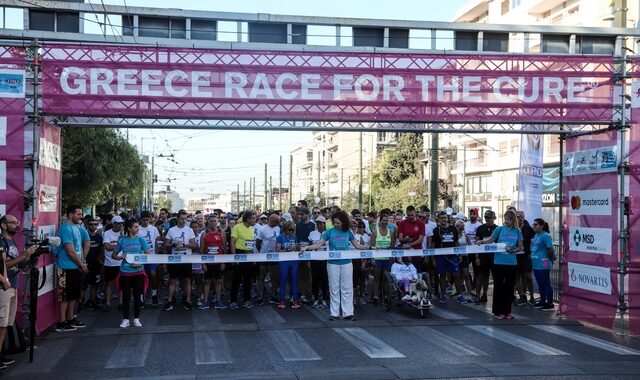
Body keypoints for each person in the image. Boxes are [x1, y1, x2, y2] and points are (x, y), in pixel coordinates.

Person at [301, 211, 370, 321]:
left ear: (343, 222)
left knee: (347, 288)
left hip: (346, 263)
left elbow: (357, 245)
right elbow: (319, 244)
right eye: (334, 223)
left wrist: (370, 248)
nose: (335, 225)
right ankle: (334, 313)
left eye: (338, 223)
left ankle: (348, 313)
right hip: (332, 264)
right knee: (334, 288)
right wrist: (307, 248)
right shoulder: (329, 232)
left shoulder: (348, 232)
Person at [0, 215, 37, 366]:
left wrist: (25, 263)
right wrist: (24, 256)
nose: (17, 225)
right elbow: (4, 266)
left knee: (6, 323)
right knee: (1, 322)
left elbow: (14, 264)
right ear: (3, 225)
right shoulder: (1, 241)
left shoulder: (11, 241)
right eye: (13, 223)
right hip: (3, 287)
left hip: (13, 285)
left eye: (17, 222)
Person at [477, 210, 523, 319]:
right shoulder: (499, 229)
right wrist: (481, 242)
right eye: (505, 219)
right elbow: (489, 240)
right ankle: (499, 311)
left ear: (513, 220)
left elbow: (520, 246)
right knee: (499, 287)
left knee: (509, 287)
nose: (506, 221)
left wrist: (512, 250)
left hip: (511, 263)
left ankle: (508, 311)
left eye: (509, 219)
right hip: (499, 262)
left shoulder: (517, 231)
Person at [55, 205, 88, 331]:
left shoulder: (76, 227)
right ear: (70, 214)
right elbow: (70, 251)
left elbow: (80, 247)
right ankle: (61, 322)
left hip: (75, 267)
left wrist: (81, 263)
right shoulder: (65, 229)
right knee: (64, 296)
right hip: (65, 267)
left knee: (73, 295)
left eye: (81, 214)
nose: (81, 216)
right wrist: (81, 264)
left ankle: (70, 318)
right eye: (78, 214)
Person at [113, 218, 149, 328]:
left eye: (138, 226)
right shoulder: (122, 240)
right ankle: (125, 319)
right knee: (126, 297)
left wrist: (139, 263)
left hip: (138, 272)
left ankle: (137, 319)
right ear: (129, 228)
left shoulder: (141, 240)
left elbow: (148, 255)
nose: (138, 228)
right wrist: (120, 257)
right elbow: (113, 254)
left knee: (137, 296)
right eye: (135, 227)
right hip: (125, 273)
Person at [164, 210, 197, 311]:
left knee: (187, 280)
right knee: (172, 280)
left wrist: (184, 245)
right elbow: (166, 245)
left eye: (185, 219)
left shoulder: (189, 230)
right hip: (175, 259)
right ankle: (169, 301)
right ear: (177, 219)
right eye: (182, 219)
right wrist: (174, 244)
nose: (183, 221)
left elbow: (194, 245)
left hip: (186, 259)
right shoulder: (171, 230)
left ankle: (187, 301)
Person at [431, 212, 465, 304]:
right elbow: (432, 246)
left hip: (452, 256)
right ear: (438, 219)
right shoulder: (435, 230)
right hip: (440, 256)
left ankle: (460, 295)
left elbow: (456, 242)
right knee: (442, 275)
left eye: (445, 218)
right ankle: (443, 295)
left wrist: (460, 254)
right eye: (441, 218)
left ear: (448, 218)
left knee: (457, 274)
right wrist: (433, 259)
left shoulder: (453, 228)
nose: (443, 219)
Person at [230, 211, 257, 309]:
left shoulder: (252, 228)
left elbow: (252, 243)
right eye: (253, 218)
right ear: (248, 219)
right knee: (236, 279)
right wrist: (234, 257)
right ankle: (233, 300)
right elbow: (232, 242)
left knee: (248, 279)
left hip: (249, 254)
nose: (255, 220)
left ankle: (247, 299)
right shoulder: (237, 227)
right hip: (239, 253)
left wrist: (253, 257)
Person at [200, 215, 228, 309]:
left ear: (217, 222)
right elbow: (201, 250)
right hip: (208, 262)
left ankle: (218, 301)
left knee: (218, 281)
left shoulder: (222, 232)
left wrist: (223, 262)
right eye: (211, 221)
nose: (214, 223)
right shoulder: (204, 233)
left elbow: (224, 248)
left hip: (219, 261)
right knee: (207, 282)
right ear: (208, 222)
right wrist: (203, 264)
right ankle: (205, 301)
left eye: (215, 221)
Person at [530, 218, 556, 311]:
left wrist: (552, 258)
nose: (534, 226)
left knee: (546, 283)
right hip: (536, 264)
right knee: (540, 284)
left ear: (542, 226)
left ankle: (549, 303)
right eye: (533, 224)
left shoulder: (546, 236)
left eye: (536, 224)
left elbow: (550, 249)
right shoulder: (536, 235)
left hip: (543, 264)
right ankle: (542, 301)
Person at [370, 213, 396, 305]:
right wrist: (372, 259)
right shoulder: (375, 232)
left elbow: (392, 246)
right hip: (377, 258)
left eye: (386, 221)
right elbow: (372, 246)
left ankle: (385, 295)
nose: (385, 222)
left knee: (385, 278)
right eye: (383, 220)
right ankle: (376, 296)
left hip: (387, 259)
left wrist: (391, 258)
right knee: (377, 278)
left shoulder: (391, 233)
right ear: (380, 221)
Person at [257, 214, 281, 304]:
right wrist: (262, 252)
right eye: (277, 221)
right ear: (271, 220)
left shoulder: (278, 228)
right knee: (262, 276)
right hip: (264, 256)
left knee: (274, 276)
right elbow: (258, 243)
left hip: (274, 256)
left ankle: (274, 295)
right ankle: (260, 296)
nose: (278, 223)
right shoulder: (262, 229)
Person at [276, 221, 301, 309]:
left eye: (292, 230)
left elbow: (297, 249)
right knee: (283, 281)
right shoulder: (280, 237)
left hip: (293, 261)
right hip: (284, 261)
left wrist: (298, 247)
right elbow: (277, 250)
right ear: (285, 229)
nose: (291, 232)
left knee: (294, 282)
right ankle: (282, 301)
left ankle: (295, 301)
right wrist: (287, 250)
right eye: (289, 230)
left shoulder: (294, 237)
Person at [138, 211, 160, 306]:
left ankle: (154, 295)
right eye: (144, 220)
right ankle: (141, 297)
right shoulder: (137, 228)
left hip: (152, 256)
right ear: (140, 220)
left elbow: (157, 242)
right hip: (140, 257)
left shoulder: (154, 229)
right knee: (141, 277)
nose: (146, 222)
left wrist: (157, 256)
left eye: (148, 220)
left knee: (153, 275)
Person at [103, 216, 124, 310]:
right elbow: (107, 246)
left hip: (121, 263)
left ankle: (121, 302)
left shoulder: (123, 234)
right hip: (110, 263)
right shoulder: (107, 233)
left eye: (122, 223)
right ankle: (107, 302)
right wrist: (119, 246)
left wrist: (122, 236)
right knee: (109, 283)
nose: (121, 225)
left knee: (122, 284)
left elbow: (126, 245)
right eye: (119, 223)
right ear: (114, 224)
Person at [515, 210, 535, 306]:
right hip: (515, 256)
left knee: (528, 277)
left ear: (524, 218)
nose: (519, 218)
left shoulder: (529, 229)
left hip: (526, 256)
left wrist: (532, 252)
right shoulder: (513, 229)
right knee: (517, 277)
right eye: (517, 217)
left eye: (521, 217)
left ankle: (532, 296)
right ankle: (522, 296)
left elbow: (535, 241)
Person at [83, 217, 104, 310]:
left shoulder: (99, 237)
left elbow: (101, 250)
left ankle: (92, 301)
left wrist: (101, 260)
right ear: (87, 225)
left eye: (95, 224)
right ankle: (81, 303)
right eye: (91, 224)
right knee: (83, 285)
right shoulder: (83, 236)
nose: (93, 226)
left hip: (96, 265)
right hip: (85, 264)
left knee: (95, 284)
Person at [308, 216, 329, 308]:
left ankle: (325, 298)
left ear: (324, 224)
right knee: (315, 279)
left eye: (321, 223)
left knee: (325, 279)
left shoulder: (328, 233)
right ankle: (315, 298)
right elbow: (309, 246)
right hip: (315, 258)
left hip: (325, 258)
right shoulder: (312, 233)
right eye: (318, 223)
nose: (319, 225)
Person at [295, 208, 315, 304]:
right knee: (300, 273)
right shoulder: (297, 225)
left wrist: (310, 248)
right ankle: (300, 293)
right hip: (299, 252)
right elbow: (295, 238)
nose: (300, 216)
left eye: (302, 214)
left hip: (309, 252)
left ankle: (309, 293)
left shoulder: (313, 225)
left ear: (307, 214)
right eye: (299, 214)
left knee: (309, 273)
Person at [398, 205, 426, 272]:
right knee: (406, 274)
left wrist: (410, 244)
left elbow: (420, 240)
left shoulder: (421, 224)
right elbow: (400, 238)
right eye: (408, 215)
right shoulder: (402, 223)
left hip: (416, 252)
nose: (410, 217)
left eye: (412, 215)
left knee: (417, 273)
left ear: (415, 213)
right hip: (405, 253)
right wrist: (406, 239)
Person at [353, 220, 371, 306]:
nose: (361, 229)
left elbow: (370, 247)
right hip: (355, 259)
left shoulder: (368, 237)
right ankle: (352, 297)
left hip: (365, 260)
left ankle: (361, 297)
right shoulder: (353, 236)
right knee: (354, 279)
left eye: (363, 227)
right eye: (359, 227)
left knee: (363, 279)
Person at [455, 220, 474, 299]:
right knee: (457, 275)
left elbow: (470, 245)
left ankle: (469, 292)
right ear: (456, 227)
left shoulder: (465, 235)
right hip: (455, 257)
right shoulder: (453, 236)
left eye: (462, 228)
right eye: (459, 227)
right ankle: (459, 292)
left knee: (466, 275)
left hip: (464, 257)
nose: (461, 229)